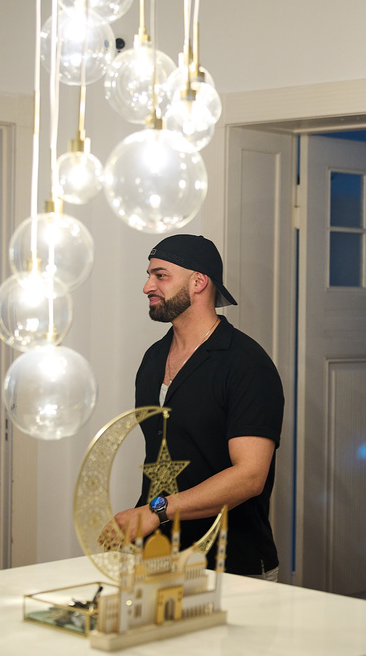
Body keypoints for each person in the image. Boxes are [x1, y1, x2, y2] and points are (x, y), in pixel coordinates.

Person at [109, 234, 284, 579]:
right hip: (158, 561)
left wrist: (154, 512)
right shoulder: (153, 359)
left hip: (231, 566)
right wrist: (140, 521)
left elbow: (249, 476)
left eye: (161, 275)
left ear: (199, 281)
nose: (147, 286)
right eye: (149, 275)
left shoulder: (247, 365)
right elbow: (165, 460)